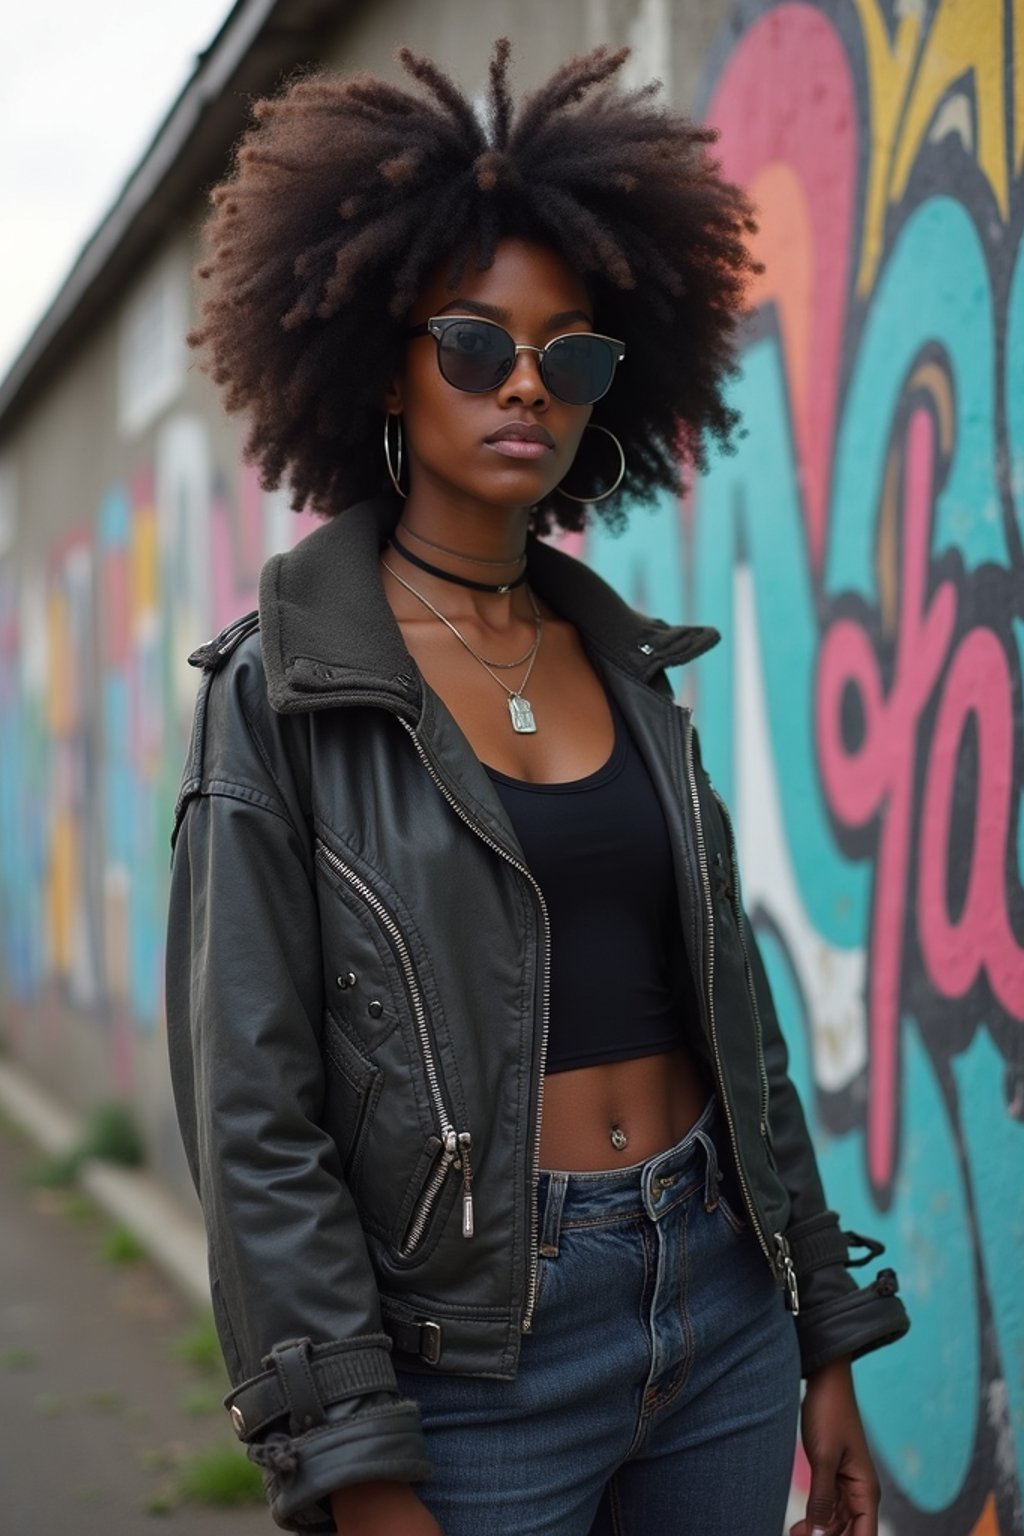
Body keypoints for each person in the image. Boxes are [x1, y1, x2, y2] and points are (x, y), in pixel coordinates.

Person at [166, 39, 909, 1536]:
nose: (525, 384)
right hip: (474, 1359)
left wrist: (823, 1327)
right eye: (473, 345)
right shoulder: (284, 694)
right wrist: (351, 1459)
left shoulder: (629, 670)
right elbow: (259, 1115)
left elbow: (740, 1022)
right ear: (386, 360)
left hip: (716, 1299)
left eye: (569, 354)